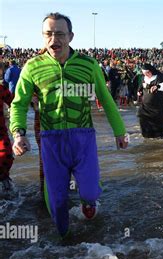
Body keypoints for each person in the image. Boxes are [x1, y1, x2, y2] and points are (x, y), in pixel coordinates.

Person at [9, 12, 128, 237]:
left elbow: (106, 99)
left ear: (71, 36)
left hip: (83, 138)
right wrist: (18, 133)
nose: (54, 40)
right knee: (56, 202)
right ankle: (65, 245)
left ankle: (88, 203)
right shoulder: (32, 67)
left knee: (91, 192)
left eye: (60, 34)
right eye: (49, 34)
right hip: (51, 140)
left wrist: (120, 132)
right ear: (43, 37)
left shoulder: (88, 65)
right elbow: (19, 103)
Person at [137, 64, 163, 139]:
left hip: (157, 105)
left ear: (151, 71)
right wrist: (139, 91)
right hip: (145, 105)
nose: (146, 75)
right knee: (143, 119)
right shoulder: (144, 77)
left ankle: (159, 136)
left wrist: (152, 87)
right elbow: (141, 86)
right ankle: (146, 135)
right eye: (144, 74)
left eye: (147, 73)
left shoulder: (159, 77)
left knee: (157, 121)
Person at [0, 83, 14, 197]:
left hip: (1, 133)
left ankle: (5, 184)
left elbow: (15, 103)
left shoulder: (1, 89)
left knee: (6, 156)